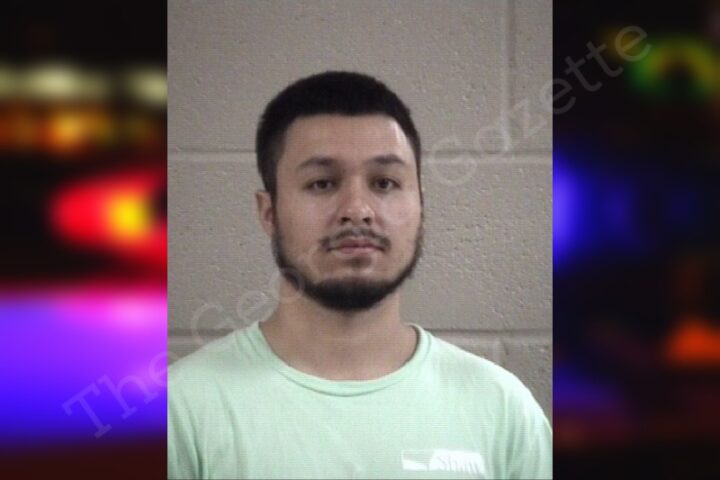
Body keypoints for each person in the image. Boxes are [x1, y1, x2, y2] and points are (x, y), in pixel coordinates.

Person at [168, 71, 552, 479]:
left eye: (384, 183)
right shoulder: (180, 410)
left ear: (421, 205)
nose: (357, 210)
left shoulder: (502, 410)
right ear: (268, 212)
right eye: (322, 184)